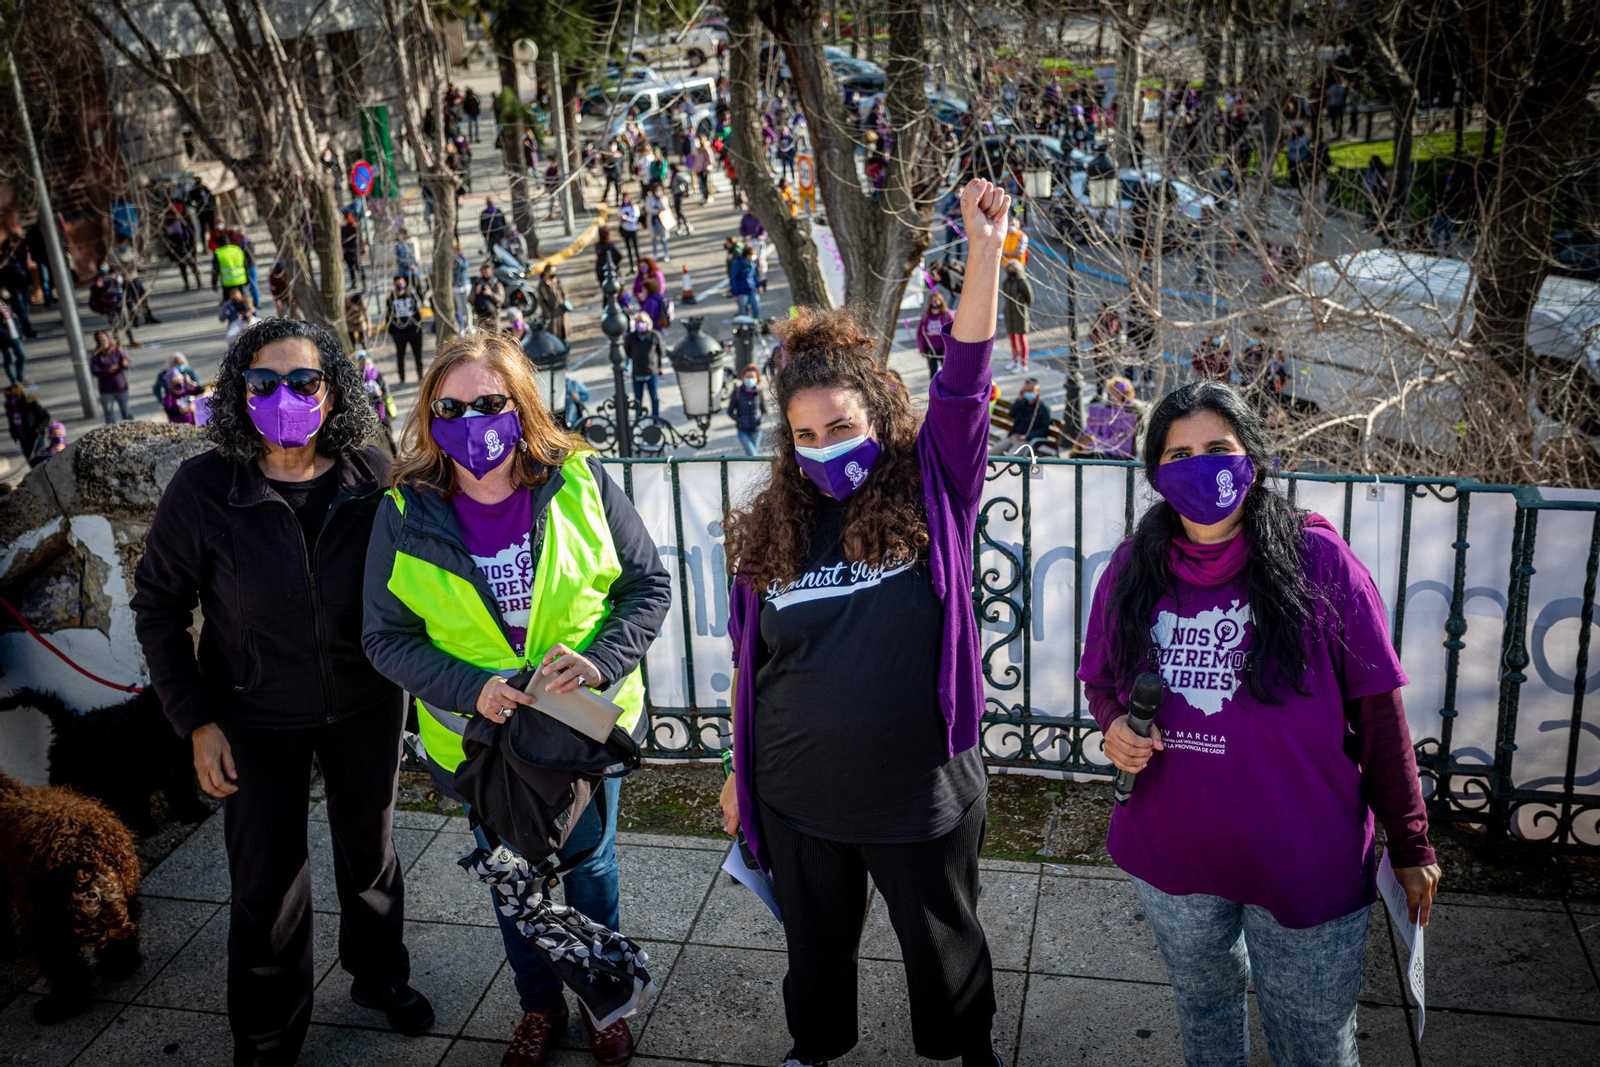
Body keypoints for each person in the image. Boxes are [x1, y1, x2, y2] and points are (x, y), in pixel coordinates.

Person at [717, 178, 1012, 1067]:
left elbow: (966, 380)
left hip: (919, 794)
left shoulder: (934, 485)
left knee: (945, 948)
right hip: (798, 794)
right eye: (805, 436)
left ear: (877, 412)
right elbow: (751, 669)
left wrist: (985, 252)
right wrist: (737, 775)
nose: (824, 447)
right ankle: (814, 1049)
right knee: (813, 953)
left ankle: (967, 1051)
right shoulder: (771, 528)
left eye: (840, 426)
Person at [1077, 380, 1441, 1067]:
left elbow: (1379, 713)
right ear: (1155, 472)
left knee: (1313, 1041)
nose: (1201, 467)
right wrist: (1114, 724)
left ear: (1253, 458)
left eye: (1218, 448)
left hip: (1304, 856)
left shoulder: (1321, 563)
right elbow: (1100, 681)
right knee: (1205, 1010)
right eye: (1179, 454)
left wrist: (1411, 842)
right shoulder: (1130, 569)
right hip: (1173, 850)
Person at [361, 331, 669, 1067]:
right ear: (430, 416)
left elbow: (647, 587)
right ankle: (540, 1005)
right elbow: (385, 637)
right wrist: (474, 689)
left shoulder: (581, 480)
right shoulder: (403, 510)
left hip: (579, 731)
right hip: (480, 745)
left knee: (589, 869)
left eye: (489, 403)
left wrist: (599, 661)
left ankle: (604, 1000)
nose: (472, 421)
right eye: (451, 407)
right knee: (512, 881)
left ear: (522, 405)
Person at [131, 320, 432, 1064]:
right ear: (239, 393)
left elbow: (421, 578)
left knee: (371, 854)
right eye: (264, 383)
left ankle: (378, 977)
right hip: (252, 715)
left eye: (304, 381)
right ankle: (267, 1035)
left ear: (333, 391)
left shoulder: (372, 474)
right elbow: (159, 607)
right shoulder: (204, 487)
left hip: (365, 704)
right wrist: (196, 721)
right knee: (267, 881)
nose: (285, 397)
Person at [385, 275, 426, 385]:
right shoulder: (390, 299)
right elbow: (388, 316)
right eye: (397, 284)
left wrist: (419, 326)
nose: (400, 286)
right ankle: (402, 379)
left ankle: (420, 376)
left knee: (418, 355)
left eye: (401, 284)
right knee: (400, 356)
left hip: (414, 331)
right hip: (399, 333)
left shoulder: (411, 296)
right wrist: (391, 331)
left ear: (405, 284)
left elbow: (419, 305)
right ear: (394, 285)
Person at [624, 310, 665, 418]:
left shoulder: (654, 335)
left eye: (642, 322)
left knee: (654, 397)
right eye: (638, 322)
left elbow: (660, 352)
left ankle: (656, 418)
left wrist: (659, 367)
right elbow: (627, 352)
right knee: (638, 398)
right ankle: (638, 418)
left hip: (652, 372)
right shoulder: (630, 337)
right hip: (637, 372)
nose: (640, 324)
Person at [90, 330, 132, 423]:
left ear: (107, 338)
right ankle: (111, 429)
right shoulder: (96, 355)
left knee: (126, 411)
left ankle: (131, 427)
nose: (102, 340)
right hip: (106, 389)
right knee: (109, 413)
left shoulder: (117, 350)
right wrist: (107, 370)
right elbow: (94, 371)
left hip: (120, 386)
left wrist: (124, 364)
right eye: (99, 339)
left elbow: (127, 362)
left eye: (103, 338)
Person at [727, 363, 766, 456]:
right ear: (743, 377)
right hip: (743, 430)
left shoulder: (759, 392)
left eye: (752, 377)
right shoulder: (737, 392)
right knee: (752, 455)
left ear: (757, 378)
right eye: (748, 377)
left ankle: (754, 466)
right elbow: (730, 411)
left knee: (753, 456)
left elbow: (764, 410)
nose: (750, 379)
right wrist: (740, 420)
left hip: (756, 429)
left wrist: (760, 419)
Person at [1001, 260, 1033, 373]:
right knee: (1012, 338)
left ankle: (1023, 363)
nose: (1011, 270)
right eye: (1009, 268)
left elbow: (1029, 297)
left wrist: (1022, 307)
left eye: (1013, 268)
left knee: (1022, 338)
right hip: (1009, 313)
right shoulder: (1006, 282)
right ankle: (1015, 360)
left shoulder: (1022, 282)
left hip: (1020, 313)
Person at [162, 200, 200, 290]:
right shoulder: (170, 222)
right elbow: (168, 235)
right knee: (182, 266)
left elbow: (192, 233)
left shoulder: (187, 220)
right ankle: (187, 283)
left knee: (192, 264)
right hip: (179, 246)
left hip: (189, 245)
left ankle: (198, 281)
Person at [7, 383, 50, 461]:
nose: (9, 399)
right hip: (23, 439)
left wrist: (39, 428)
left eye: (11, 397)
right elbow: (12, 423)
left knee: (39, 460)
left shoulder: (30, 404)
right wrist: (14, 434)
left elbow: (45, 416)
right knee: (30, 460)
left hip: (35, 437)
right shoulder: (11, 409)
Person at [916, 292, 954, 379]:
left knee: (947, 371)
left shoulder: (947, 314)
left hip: (945, 348)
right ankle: (934, 386)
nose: (935, 302)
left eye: (937, 300)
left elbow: (954, 328)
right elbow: (920, 333)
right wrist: (921, 348)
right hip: (930, 349)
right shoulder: (925, 316)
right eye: (933, 300)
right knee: (933, 371)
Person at [1005, 377, 1051, 449]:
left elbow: (1043, 430)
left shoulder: (1043, 409)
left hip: (1028, 441)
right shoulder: (1023, 403)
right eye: (1025, 390)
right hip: (1015, 436)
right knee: (992, 453)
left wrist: (1027, 436)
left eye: (1030, 390)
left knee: (1012, 455)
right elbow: (1011, 414)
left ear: (1037, 390)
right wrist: (1019, 399)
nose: (1028, 393)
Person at [536, 264, 570, 342]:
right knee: (553, 332)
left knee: (563, 330)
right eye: (551, 272)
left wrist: (564, 301)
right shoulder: (542, 284)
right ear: (546, 272)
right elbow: (541, 300)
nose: (553, 274)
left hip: (561, 309)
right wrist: (547, 312)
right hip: (552, 312)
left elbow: (563, 292)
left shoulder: (556, 280)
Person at [469, 264, 505, 334]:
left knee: (495, 335)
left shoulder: (496, 283)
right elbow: (470, 300)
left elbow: (501, 299)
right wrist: (476, 293)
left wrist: (491, 294)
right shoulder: (477, 283)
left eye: (487, 270)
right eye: (484, 270)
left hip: (493, 315)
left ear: (491, 271)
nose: (486, 272)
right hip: (480, 316)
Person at [730, 244, 760, 321]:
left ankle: (755, 325)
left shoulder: (752, 263)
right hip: (741, 291)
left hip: (752, 289)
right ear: (747, 255)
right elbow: (733, 278)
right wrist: (734, 293)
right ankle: (743, 327)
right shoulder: (738, 263)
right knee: (742, 312)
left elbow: (754, 275)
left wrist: (758, 285)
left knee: (756, 308)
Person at [0, 291, 24, 384]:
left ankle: (20, 378)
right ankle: (14, 382)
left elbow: (13, 318)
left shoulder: (5, 304)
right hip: (3, 338)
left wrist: (20, 332)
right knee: (8, 360)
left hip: (14, 335)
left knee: (21, 356)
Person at [644, 182, 672, 262]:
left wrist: (660, 199)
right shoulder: (649, 198)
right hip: (653, 220)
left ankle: (666, 254)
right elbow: (648, 209)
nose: (658, 192)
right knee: (654, 239)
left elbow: (665, 208)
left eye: (659, 190)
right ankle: (655, 254)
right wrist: (657, 211)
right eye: (656, 190)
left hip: (662, 220)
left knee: (664, 238)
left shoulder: (664, 198)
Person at [617, 194, 641, 270]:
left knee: (636, 248)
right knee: (628, 249)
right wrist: (622, 219)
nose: (626, 200)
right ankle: (632, 266)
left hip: (633, 230)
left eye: (627, 199)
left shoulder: (634, 207)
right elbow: (619, 218)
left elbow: (634, 220)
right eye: (624, 199)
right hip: (625, 230)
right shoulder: (621, 208)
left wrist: (626, 218)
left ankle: (639, 265)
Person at [668, 164, 693, 235]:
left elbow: (685, 182)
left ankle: (687, 225)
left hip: (678, 195)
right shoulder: (673, 175)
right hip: (675, 194)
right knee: (677, 212)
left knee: (680, 211)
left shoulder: (677, 175)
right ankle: (680, 227)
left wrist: (685, 191)